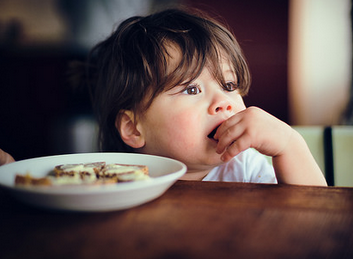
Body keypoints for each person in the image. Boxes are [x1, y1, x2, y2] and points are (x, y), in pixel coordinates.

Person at [0, 8, 327, 186]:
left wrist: (290, 145)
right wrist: (11, 174)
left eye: (229, 85)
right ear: (133, 128)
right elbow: (58, 190)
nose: (225, 101)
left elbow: (312, 216)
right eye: (192, 89)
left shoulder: (246, 169)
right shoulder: (117, 177)